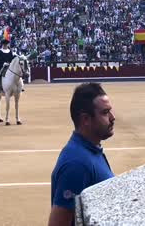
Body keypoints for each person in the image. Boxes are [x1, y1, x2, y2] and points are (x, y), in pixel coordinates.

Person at [48, 83, 115, 226]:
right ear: (85, 119)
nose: (112, 117)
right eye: (105, 112)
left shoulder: (90, 150)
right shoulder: (77, 164)